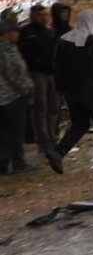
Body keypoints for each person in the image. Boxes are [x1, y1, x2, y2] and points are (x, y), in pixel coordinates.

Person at [52, 9, 93, 171]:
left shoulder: (64, 40)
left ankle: (58, 152)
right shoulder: (91, 40)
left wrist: (60, 87)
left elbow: (57, 66)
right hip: (90, 87)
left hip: (71, 90)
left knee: (80, 123)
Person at [18, 4, 59, 156]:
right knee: (40, 108)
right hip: (36, 73)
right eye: (40, 15)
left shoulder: (49, 31)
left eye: (45, 15)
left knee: (53, 107)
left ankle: (52, 136)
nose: (43, 18)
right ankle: (43, 141)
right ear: (33, 16)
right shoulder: (26, 32)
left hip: (51, 73)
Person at [0, 21, 36, 174]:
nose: (18, 35)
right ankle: (19, 163)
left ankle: (2, 163)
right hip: (12, 96)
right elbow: (15, 73)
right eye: (15, 32)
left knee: (2, 133)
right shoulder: (7, 49)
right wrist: (27, 90)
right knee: (15, 132)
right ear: (7, 34)